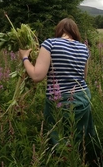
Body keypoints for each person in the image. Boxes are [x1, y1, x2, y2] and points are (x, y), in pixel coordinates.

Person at [18, 18, 95, 148]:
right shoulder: (84, 48)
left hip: (60, 100)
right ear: (75, 32)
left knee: (61, 141)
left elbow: (37, 76)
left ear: (59, 30)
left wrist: (25, 58)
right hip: (83, 97)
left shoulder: (50, 44)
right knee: (81, 138)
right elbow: (83, 76)